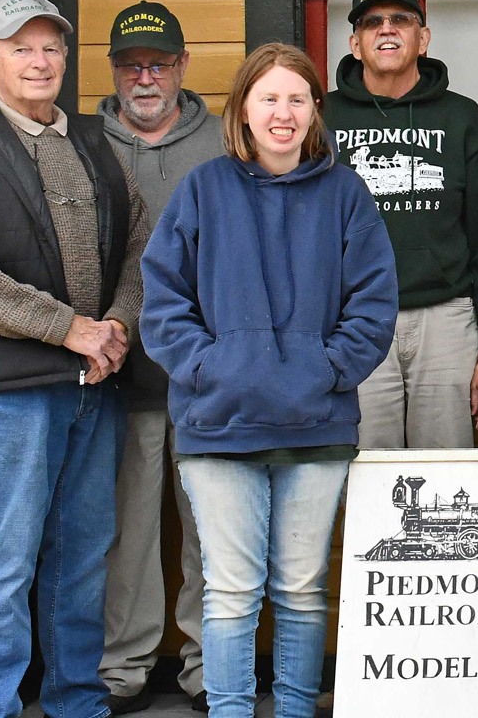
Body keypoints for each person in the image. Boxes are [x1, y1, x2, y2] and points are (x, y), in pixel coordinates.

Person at [0, 0, 151, 718]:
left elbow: (141, 245)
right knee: (6, 567)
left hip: (93, 388)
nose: (39, 61)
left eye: (50, 48)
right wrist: (68, 328)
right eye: (21, 49)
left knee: (81, 563)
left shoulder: (91, 144)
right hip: (8, 396)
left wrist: (117, 324)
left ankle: (77, 702)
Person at [140, 43, 397, 718]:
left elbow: (373, 304)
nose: (283, 113)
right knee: (230, 591)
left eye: (296, 99)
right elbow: (162, 301)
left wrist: (328, 369)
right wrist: (210, 367)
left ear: (315, 109)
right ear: (244, 110)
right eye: (269, 98)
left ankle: (294, 710)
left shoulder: (345, 194)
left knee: (302, 589)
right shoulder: (203, 189)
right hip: (219, 424)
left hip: (317, 422)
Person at [95, 0, 224, 714]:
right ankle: (124, 668)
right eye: (131, 65)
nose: (145, 78)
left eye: (159, 64)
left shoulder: (225, 143)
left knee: (211, 530)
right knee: (128, 532)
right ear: (114, 70)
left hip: (209, 376)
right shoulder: (86, 143)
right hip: (121, 376)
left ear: (182, 66)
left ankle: (210, 666)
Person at [324, 0, 478, 449]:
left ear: (422, 38)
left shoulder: (463, 118)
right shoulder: (322, 118)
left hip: (446, 318)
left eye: (401, 19)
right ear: (355, 44)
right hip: (353, 315)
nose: (387, 29)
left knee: (446, 469)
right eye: (372, 22)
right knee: (365, 468)